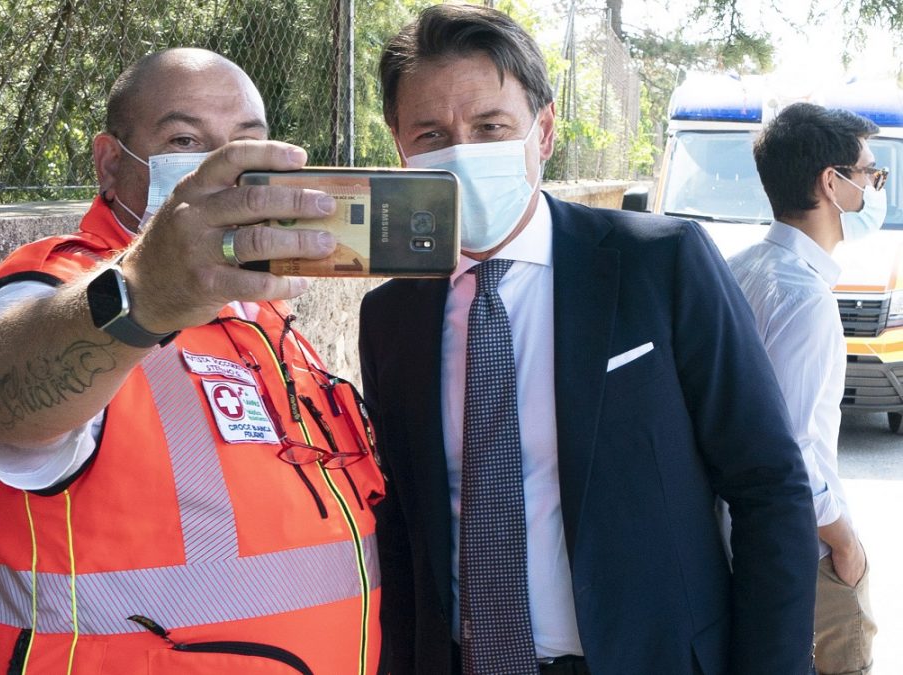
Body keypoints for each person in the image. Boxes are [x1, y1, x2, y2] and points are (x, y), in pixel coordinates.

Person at [358, 6, 818, 675]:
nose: (462, 150)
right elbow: (401, 523)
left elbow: (768, 484)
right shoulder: (390, 316)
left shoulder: (661, 264)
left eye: (491, 127)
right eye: (432, 134)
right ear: (400, 147)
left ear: (542, 132)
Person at [0, 48, 385, 675]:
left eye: (246, 144)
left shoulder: (263, 314)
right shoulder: (56, 284)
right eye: (185, 138)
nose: (226, 169)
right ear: (110, 164)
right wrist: (143, 296)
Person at [729, 102, 879, 675]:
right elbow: (788, 455)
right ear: (831, 182)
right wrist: (845, 546)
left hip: (751, 544)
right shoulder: (804, 299)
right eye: (869, 175)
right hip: (805, 551)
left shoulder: (740, 268)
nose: (873, 191)